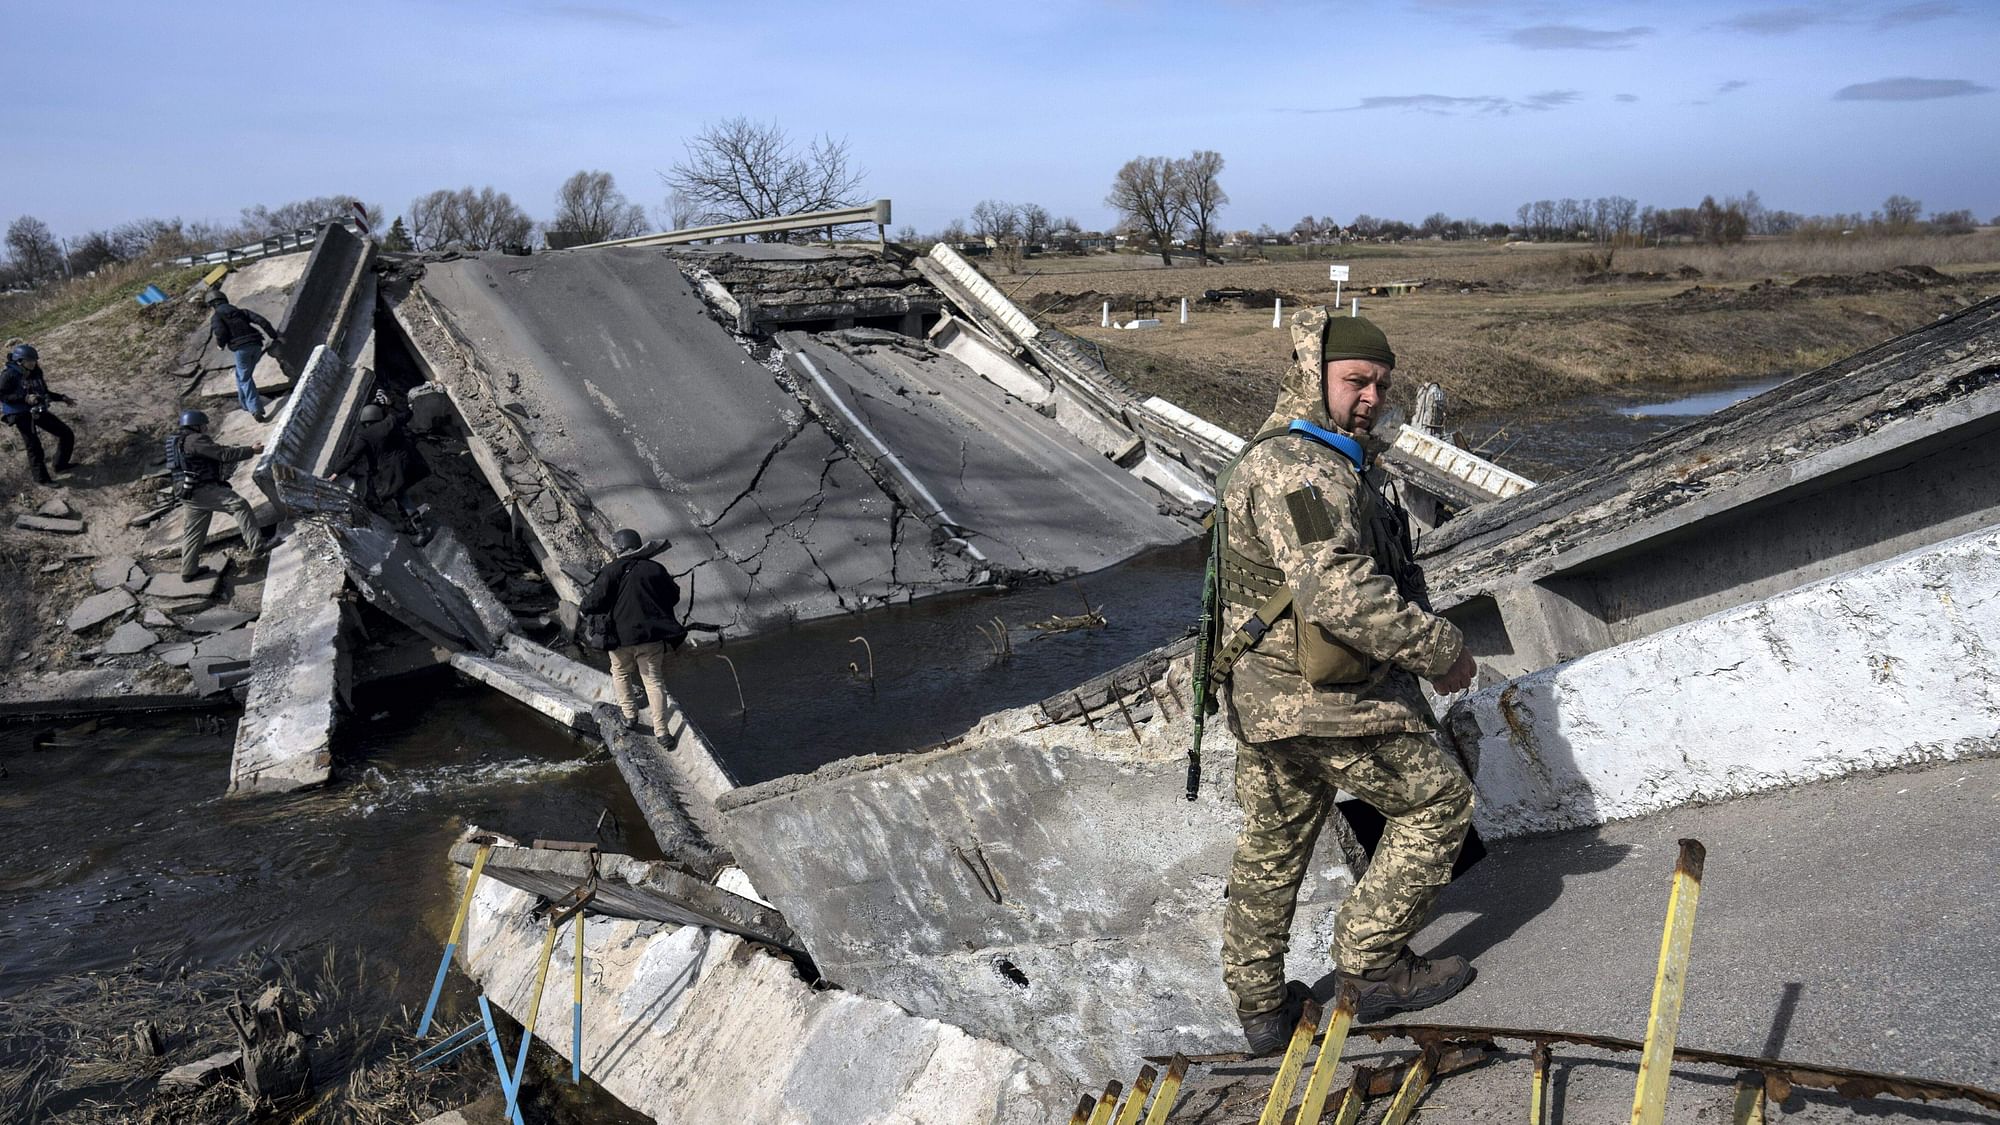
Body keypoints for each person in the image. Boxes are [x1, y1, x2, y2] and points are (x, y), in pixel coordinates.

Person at [1214, 307, 1480, 1054]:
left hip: (1267, 703)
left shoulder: (1311, 456)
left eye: (1381, 384)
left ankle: (1262, 1011)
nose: (1370, 396)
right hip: (1321, 702)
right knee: (1439, 798)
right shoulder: (1299, 468)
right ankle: (1372, 968)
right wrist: (1440, 649)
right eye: (1356, 380)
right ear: (1313, 374)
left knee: (1272, 848)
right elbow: (1339, 592)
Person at [581, 529, 685, 735]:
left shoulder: (610, 571)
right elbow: (674, 596)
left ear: (618, 548)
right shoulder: (655, 569)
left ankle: (630, 716)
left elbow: (593, 601)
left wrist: (583, 609)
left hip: (619, 639)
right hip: (651, 636)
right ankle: (662, 732)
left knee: (620, 673)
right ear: (638, 545)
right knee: (654, 681)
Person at [167, 409, 272, 580]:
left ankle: (188, 571)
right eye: (203, 425)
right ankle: (257, 546)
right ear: (196, 425)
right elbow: (223, 454)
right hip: (202, 489)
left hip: (187, 493)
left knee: (193, 532)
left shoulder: (177, 441)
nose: (206, 428)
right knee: (240, 505)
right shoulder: (195, 440)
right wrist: (251, 450)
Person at [327, 397, 432, 536]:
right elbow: (408, 414)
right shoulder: (391, 421)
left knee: (400, 495)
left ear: (365, 422)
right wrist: (391, 404)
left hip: (391, 471)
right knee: (398, 494)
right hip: (411, 463)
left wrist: (335, 473)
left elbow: (352, 456)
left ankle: (421, 531)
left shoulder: (364, 436)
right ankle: (410, 526)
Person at [1, 344, 77, 484]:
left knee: (66, 433)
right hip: (19, 414)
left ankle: (60, 465)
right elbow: (3, 395)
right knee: (34, 446)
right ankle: (42, 479)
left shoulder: (36, 372)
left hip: (37, 409)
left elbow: (43, 392)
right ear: (20, 361)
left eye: (34, 360)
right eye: (29, 360)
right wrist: (24, 399)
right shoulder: (9, 375)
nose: (33, 363)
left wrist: (62, 397)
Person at [205, 289, 283, 421]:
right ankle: (245, 404)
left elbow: (220, 332)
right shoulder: (242, 311)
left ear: (212, 305)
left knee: (245, 378)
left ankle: (255, 409)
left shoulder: (217, 316)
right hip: (257, 346)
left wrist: (221, 345)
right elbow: (261, 321)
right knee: (240, 375)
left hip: (241, 350)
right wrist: (274, 336)